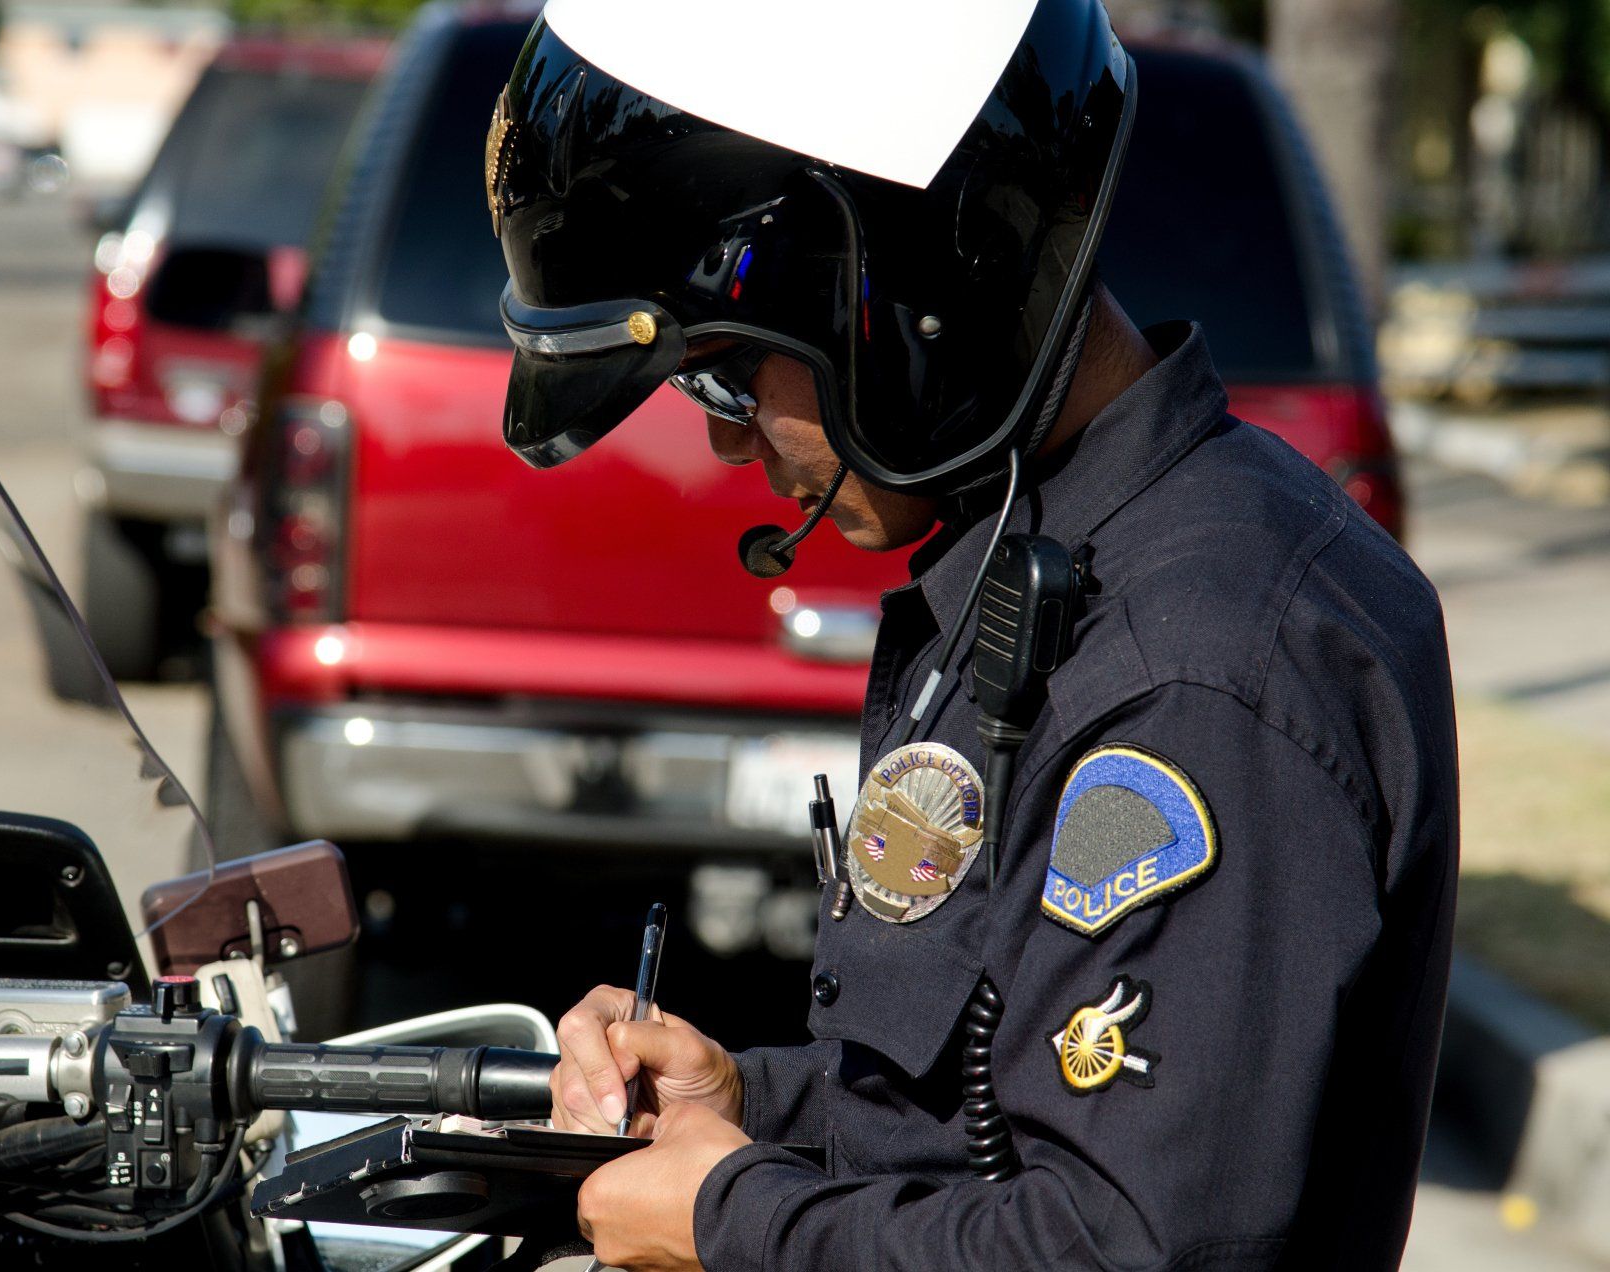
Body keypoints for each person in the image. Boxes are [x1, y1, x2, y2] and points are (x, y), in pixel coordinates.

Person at [487, 0, 1459, 1268]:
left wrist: (732, 1222)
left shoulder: (1198, 676)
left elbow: (1126, 1247)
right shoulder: (1049, 559)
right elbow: (980, 1119)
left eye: (728, 369)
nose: (724, 438)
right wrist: (747, 1107)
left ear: (909, 294)